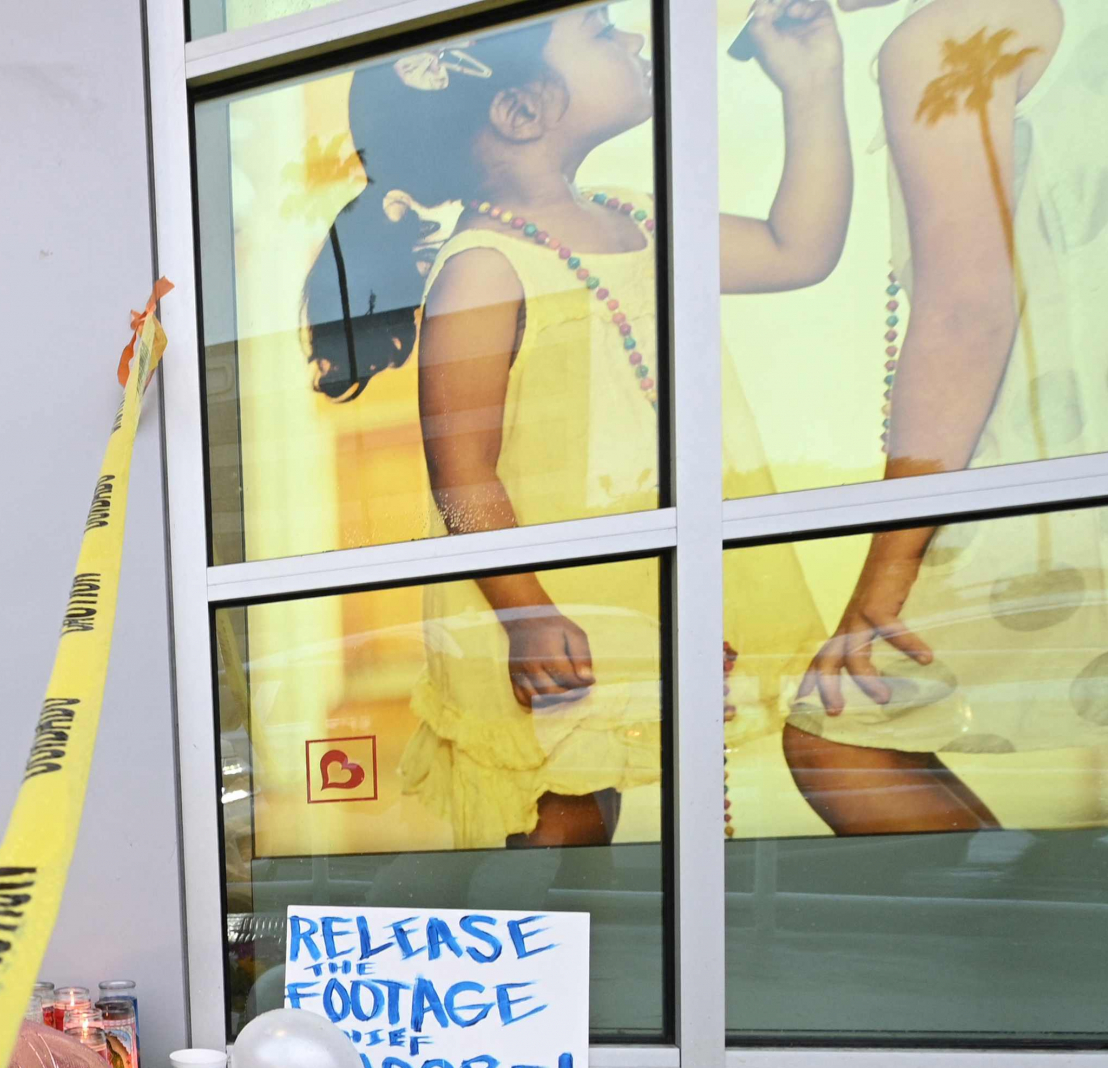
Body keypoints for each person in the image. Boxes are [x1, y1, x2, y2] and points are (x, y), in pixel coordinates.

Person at [305, 1, 850, 847]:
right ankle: (504, 968)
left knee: (592, 808)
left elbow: (795, 248)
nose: (633, 35)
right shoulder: (484, 271)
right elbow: (462, 473)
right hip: (545, 605)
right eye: (600, 29)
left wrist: (811, 83)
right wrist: (526, 613)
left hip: (638, 582)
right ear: (521, 111)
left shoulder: (634, 217)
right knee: (561, 816)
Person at [785, 0, 1108, 834]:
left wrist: (885, 573)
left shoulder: (947, 38)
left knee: (843, 731)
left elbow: (966, 310)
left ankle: (1028, 955)